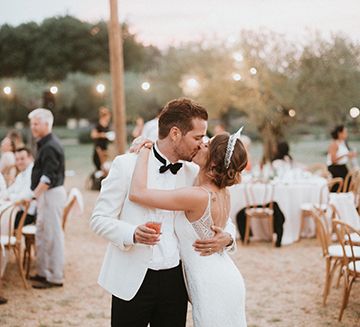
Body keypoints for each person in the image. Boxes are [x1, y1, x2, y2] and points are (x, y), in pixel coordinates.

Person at [90, 98, 237, 327]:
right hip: (132, 279)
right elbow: (98, 219)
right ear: (176, 133)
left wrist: (227, 237)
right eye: (197, 137)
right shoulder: (126, 165)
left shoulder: (193, 172)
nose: (202, 144)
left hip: (175, 281)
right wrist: (132, 233)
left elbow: (220, 211)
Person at [129, 129, 248, 326]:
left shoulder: (197, 196)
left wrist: (144, 151)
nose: (201, 144)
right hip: (223, 277)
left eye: (207, 145)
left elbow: (138, 193)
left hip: (212, 285)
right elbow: (226, 225)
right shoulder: (223, 192)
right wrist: (227, 237)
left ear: (215, 163)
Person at [28, 108, 66, 289]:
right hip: (46, 195)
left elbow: (48, 178)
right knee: (42, 235)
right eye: (32, 124)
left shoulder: (50, 146)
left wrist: (32, 196)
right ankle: (43, 272)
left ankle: (55, 277)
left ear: (46, 124)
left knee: (52, 236)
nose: (32, 127)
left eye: (35, 123)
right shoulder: (44, 144)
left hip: (51, 194)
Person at [5, 147, 36, 229]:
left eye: (22, 159)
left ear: (30, 158)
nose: (19, 162)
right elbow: (9, 191)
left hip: (27, 214)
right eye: (17, 159)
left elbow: (25, 196)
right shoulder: (21, 174)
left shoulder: (33, 173)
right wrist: (7, 196)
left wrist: (10, 197)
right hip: (19, 210)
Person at [91, 107, 112, 171]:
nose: (109, 118)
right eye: (108, 116)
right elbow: (93, 135)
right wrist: (102, 135)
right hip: (99, 148)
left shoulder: (107, 125)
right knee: (101, 167)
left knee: (105, 167)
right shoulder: (98, 125)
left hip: (105, 147)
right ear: (104, 116)